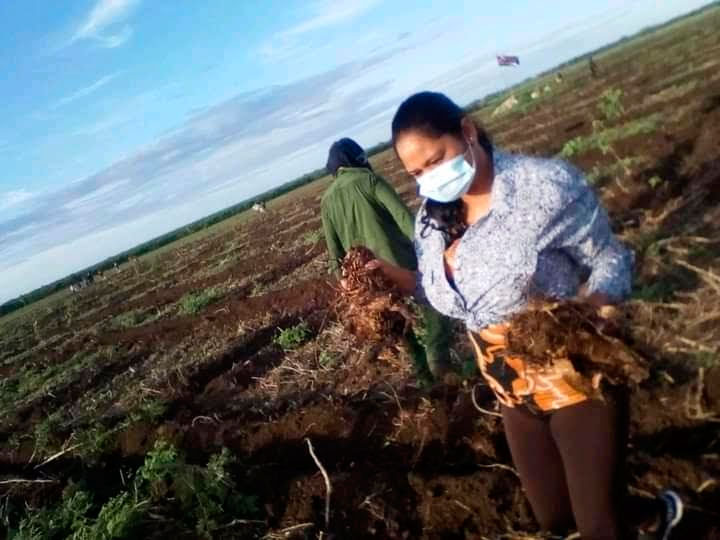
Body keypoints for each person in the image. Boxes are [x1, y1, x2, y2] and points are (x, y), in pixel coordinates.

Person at [367, 91, 683, 539]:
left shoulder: (543, 188)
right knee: (555, 518)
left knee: (599, 528)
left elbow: (609, 257)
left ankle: (638, 518)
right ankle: (651, 515)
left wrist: (599, 305)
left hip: (573, 375)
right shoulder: (430, 222)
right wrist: (390, 277)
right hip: (511, 390)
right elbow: (447, 292)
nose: (429, 180)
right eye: (417, 173)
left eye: (435, 161)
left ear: (468, 132)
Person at [321, 137, 452, 382]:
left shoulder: (327, 202)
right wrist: (434, 248)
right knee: (434, 303)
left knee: (396, 323)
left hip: (367, 278)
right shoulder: (370, 180)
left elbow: (334, 254)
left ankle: (424, 378)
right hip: (400, 263)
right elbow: (405, 219)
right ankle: (439, 362)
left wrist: (347, 284)